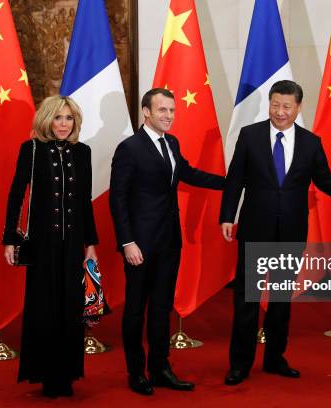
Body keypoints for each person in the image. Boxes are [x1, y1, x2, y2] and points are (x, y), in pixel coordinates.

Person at [220, 80, 331, 386]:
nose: (279, 112)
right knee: (247, 300)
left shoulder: (310, 143)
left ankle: (275, 359)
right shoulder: (249, 136)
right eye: (275, 105)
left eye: (286, 107)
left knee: (280, 298)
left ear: (298, 108)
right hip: (254, 228)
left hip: (290, 231)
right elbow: (235, 178)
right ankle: (240, 364)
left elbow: (326, 180)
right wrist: (227, 216)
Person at [109, 88, 225, 396]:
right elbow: (117, 200)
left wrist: (231, 182)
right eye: (162, 110)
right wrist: (127, 242)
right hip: (139, 244)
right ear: (146, 112)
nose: (169, 116)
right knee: (136, 308)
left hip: (169, 241)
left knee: (161, 308)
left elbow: (188, 173)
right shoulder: (129, 148)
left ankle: (160, 368)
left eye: (172, 110)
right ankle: (136, 372)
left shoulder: (171, 142)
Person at [2, 95, 98, 398]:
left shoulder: (83, 153)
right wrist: (9, 239)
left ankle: (67, 373)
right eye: (58, 118)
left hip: (72, 245)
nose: (63, 124)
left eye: (69, 118)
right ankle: (43, 373)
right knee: (44, 306)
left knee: (70, 306)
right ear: (47, 120)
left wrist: (91, 245)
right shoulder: (30, 150)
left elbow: (85, 202)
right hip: (42, 244)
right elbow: (17, 194)